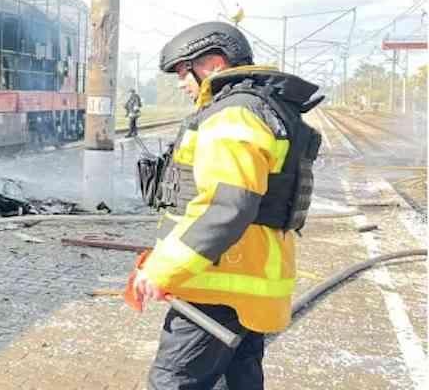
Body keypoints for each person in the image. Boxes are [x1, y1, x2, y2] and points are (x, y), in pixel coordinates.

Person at [130, 21, 322, 389]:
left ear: (213, 63)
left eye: (184, 73)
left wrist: (163, 271)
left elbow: (227, 207)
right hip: (245, 285)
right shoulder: (263, 107)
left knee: (174, 382)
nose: (183, 84)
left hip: (217, 289)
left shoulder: (233, 115)